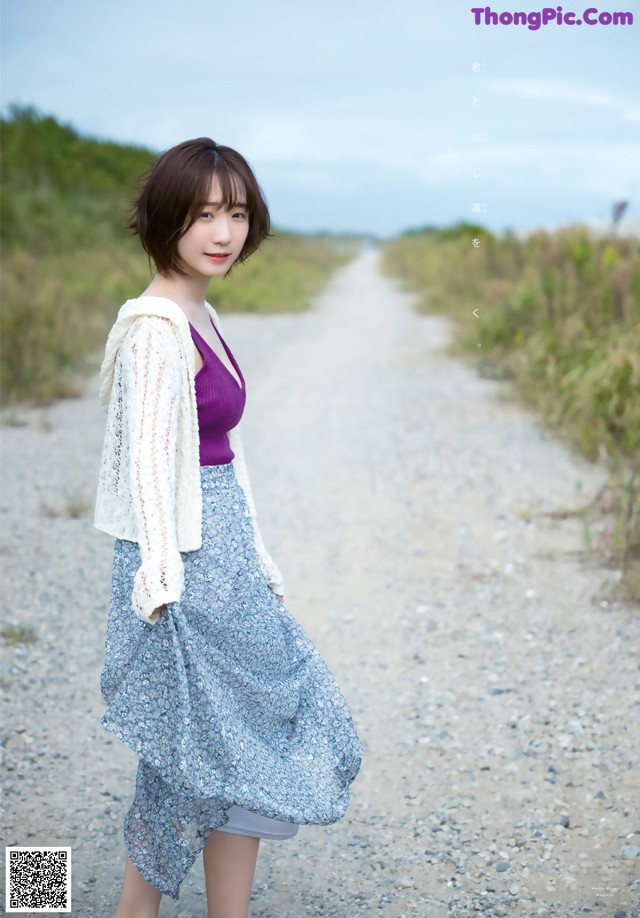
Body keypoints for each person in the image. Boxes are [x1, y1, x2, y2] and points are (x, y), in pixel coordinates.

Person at [94, 137, 363, 918]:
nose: (224, 231)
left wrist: (259, 557)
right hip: (179, 566)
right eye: (205, 212)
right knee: (203, 750)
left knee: (223, 745)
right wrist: (161, 586)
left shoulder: (199, 314)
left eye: (237, 213)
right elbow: (149, 466)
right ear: (166, 219)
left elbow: (223, 454)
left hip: (224, 554)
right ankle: (124, 908)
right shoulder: (154, 329)